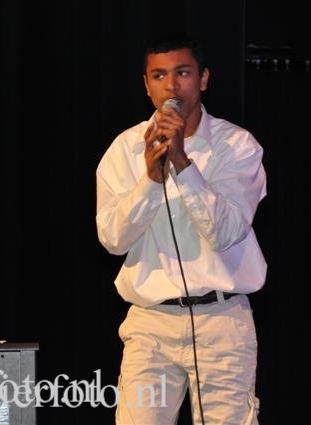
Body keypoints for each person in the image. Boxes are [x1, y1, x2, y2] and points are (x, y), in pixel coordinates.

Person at [96, 34, 266, 424]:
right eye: (159, 75)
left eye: (183, 73)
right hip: (150, 322)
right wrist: (151, 179)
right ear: (146, 85)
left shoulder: (237, 146)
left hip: (221, 320)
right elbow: (112, 239)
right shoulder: (125, 149)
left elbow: (227, 231)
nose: (171, 86)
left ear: (203, 79)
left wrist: (183, 164)